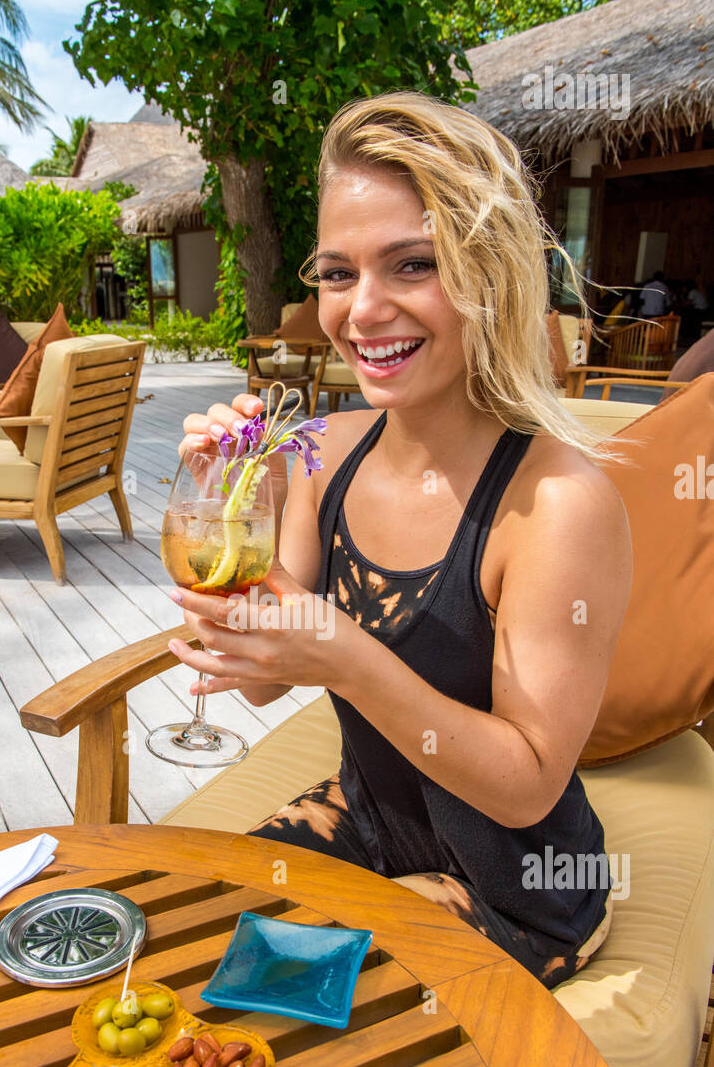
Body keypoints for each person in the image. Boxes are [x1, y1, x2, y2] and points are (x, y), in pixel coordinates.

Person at [170, 93, 632, 989]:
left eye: (412, 265)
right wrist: (241, 516)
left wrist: (344, 656)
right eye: (337, 273)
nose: (362, 310)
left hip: (515, 884)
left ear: (488, 274)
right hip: (368, 820)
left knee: (285, 1004)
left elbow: (527, 783)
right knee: (194, 947)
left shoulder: (557, 503)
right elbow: (258, 680)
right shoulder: (325, 455)